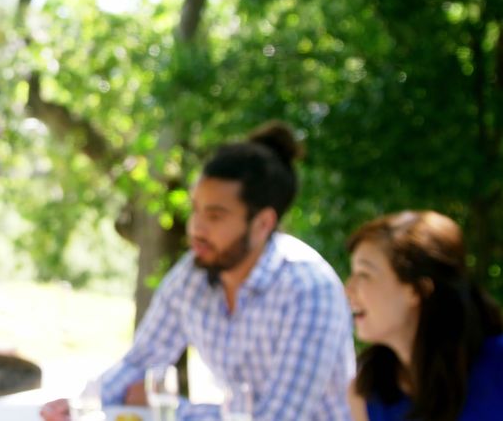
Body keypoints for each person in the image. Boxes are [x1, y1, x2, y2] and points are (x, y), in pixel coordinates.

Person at [40, 121, 355, 421]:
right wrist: (84, 404)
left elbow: (274, 419)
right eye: (196, 210)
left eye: (215, 216)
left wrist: (172, 408)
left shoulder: (310, 289)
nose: (196, 228)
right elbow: (141, 361)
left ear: (262, 224)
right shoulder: (195, 272)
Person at [345, 211, 503, 421]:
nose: (348, 290)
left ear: (418, 289)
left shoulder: (496, 365)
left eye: (364, 274)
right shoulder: (365, 391)